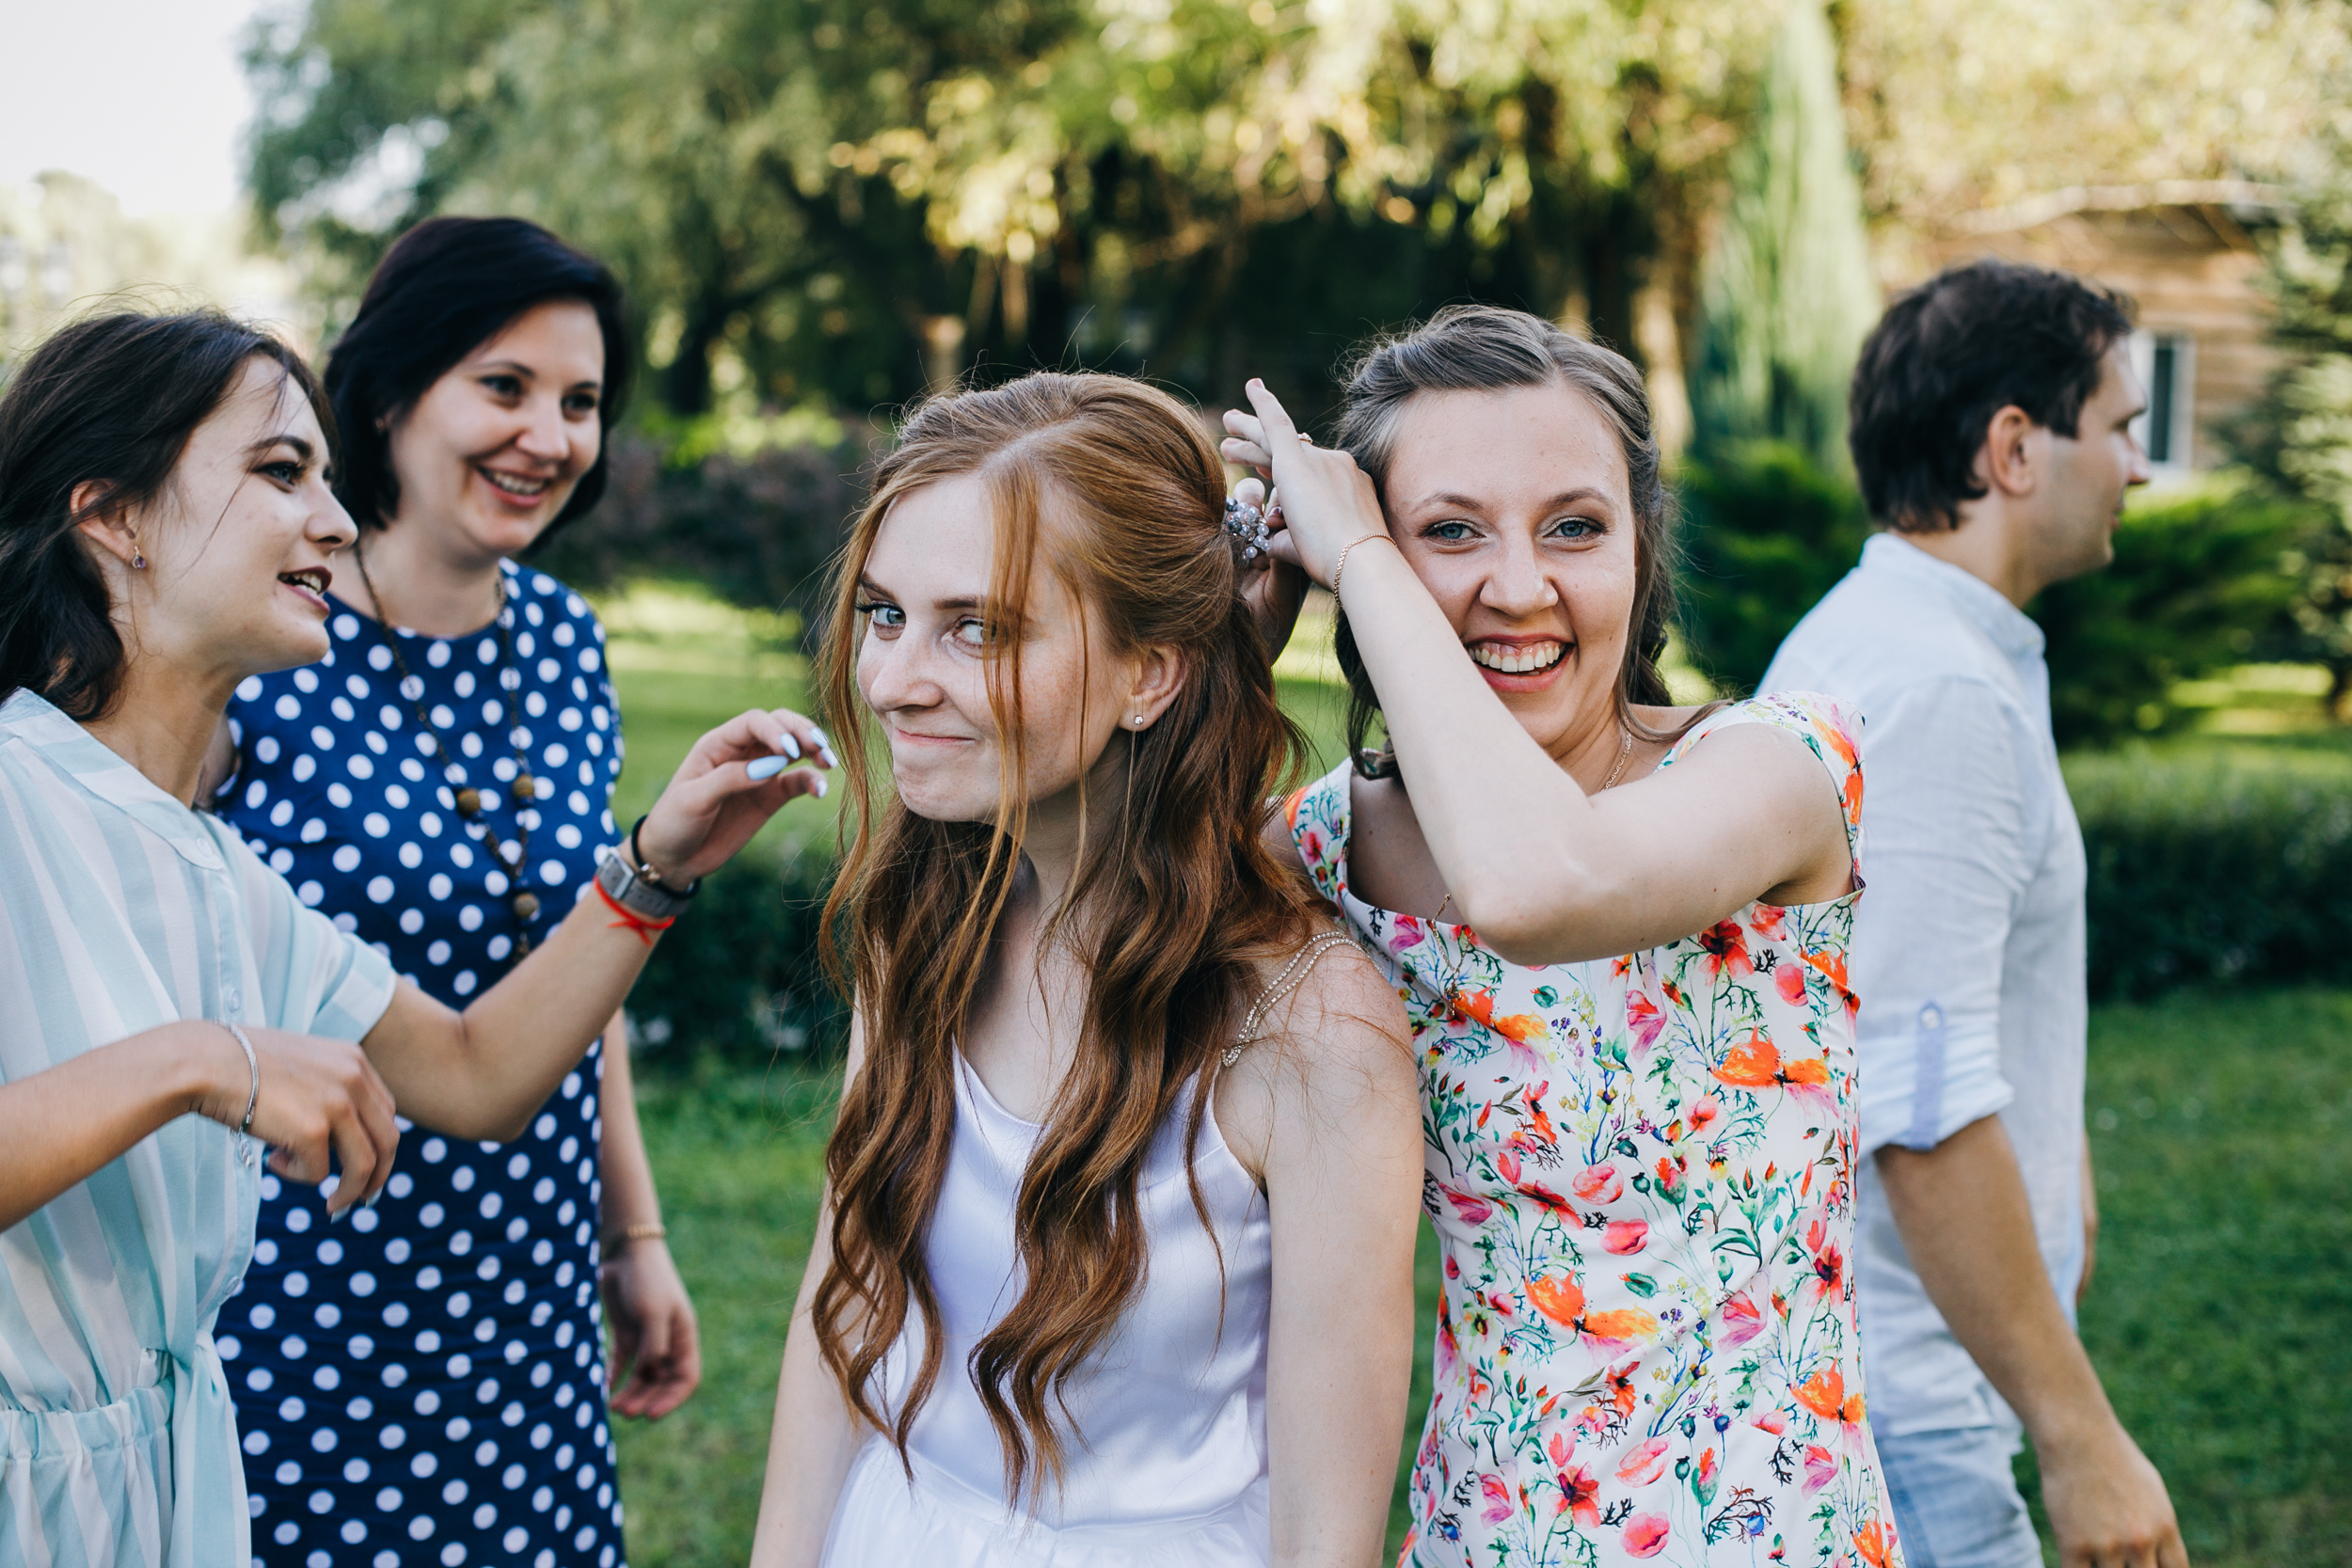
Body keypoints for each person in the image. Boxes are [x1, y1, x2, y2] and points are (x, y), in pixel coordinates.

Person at [0, 308, 822, 1568]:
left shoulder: (221, 874)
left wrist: (656, 866)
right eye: (283, 471)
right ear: (111, 515)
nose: (335, 521)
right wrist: (203, 1059)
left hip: (163, 1497)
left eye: (327, 477)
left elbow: (478, 1071)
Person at [1223, 304, 1902, 1566]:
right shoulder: (1319, 853)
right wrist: (1235, 652)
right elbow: (1085, 963)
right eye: (1448, 532)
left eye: (1575, 526)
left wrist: (1364, 559)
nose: (1520, 587)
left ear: (1641, 542)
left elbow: (1538, 887)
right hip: (1485, 1534)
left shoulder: (1777, 767)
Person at [746, 372, 1422, 1568]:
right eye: (885, 614)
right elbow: (844, 1304)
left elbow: (1327, 1533)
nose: (892, 680)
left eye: (978, 628)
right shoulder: (925, 925)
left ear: (1150, 673)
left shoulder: (1309, 1029)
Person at [208, 215, 707, 1568]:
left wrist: (632, 1230)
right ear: (388, 394)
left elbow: (583, 951)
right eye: (505, 386)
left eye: (581, 401)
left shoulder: (564, 640)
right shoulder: (265, 639)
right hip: (308, 1283)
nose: (549, 435)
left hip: (528, 1284)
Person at [1761, 261, 2185, 1568]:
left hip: (1882, 1370)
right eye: (2119, 426)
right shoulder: (1937, 690)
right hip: (1914, 1401)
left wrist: (2063, 1169)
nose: (2137, 466)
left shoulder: (1887, 635)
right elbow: (1919, 1105)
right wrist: (2079, 1432)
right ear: (2013, 447)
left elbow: (1928, 1008)